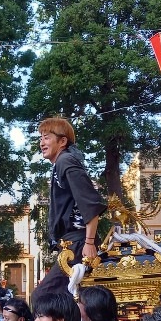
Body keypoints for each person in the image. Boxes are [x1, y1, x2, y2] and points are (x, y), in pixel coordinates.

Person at [32, 117, 107, 305]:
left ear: (62, 141)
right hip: (72, 243)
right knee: (71, 298)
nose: (42, 142)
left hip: (78, 242)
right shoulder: (62, 163)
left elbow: (90, 203)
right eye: (41, 138)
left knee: (43, 297)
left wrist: (89, 243)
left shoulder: (66, 161)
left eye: (47, 137)